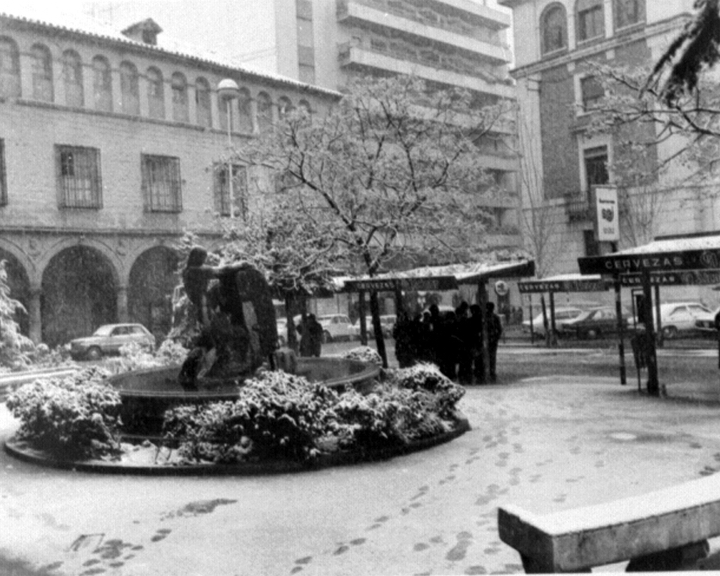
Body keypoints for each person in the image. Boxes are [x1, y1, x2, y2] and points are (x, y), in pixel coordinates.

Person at [487, 301, 503, 383]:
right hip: (491, 340)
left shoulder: (494, 317)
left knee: (491, 357)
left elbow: (499, 329)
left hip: (491, 340)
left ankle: (491, 372)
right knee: (492, 357)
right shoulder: (493, 317)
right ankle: (491, 372)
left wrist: (496, 338)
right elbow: (500, 329)